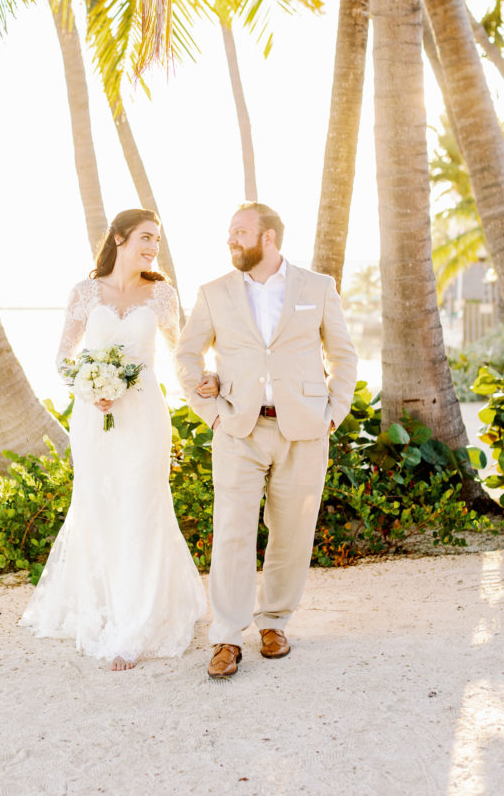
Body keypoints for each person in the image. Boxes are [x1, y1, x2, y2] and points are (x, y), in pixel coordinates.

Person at [176, 202, 357, 679]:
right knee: (232, 533)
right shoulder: (213, 293)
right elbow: (187, 354)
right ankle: (227, 637)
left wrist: (333, 415)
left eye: (240, 231)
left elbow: (343, 355)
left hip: (304, 431)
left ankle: (274, 623)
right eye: (230, 232)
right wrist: (209, 411)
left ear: (270, 237)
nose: (231, 239)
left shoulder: (317, 287)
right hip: (238, 429)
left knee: (292, 535)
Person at [19, 209, 206, 671]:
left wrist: (205, 382)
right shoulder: (85, 293)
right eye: (145, 237)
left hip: (144, 414)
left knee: (142, 505)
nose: (152, 247)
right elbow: (63, 358)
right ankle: (104, 607)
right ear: (119, 238)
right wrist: (90, 386)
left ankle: (136, 623)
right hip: (93, 419)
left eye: (157, 240)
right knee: (99, 505)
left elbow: (182, 353)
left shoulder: (162, 295)